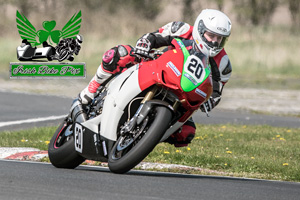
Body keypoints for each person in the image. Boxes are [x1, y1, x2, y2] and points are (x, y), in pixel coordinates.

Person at [74, 9, 232, 147]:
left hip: (182, 93)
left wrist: (210, 101)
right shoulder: (182, 29)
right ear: (200, 28)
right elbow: (154, 37)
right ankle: (91, 89)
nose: (214, 42)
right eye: (211, 35)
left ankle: (143, 137)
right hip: (157, 66)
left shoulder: (223, 63)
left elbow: (217, 91)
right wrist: (145, 43)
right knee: (119, 54)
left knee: (186, 133)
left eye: (220, 39)